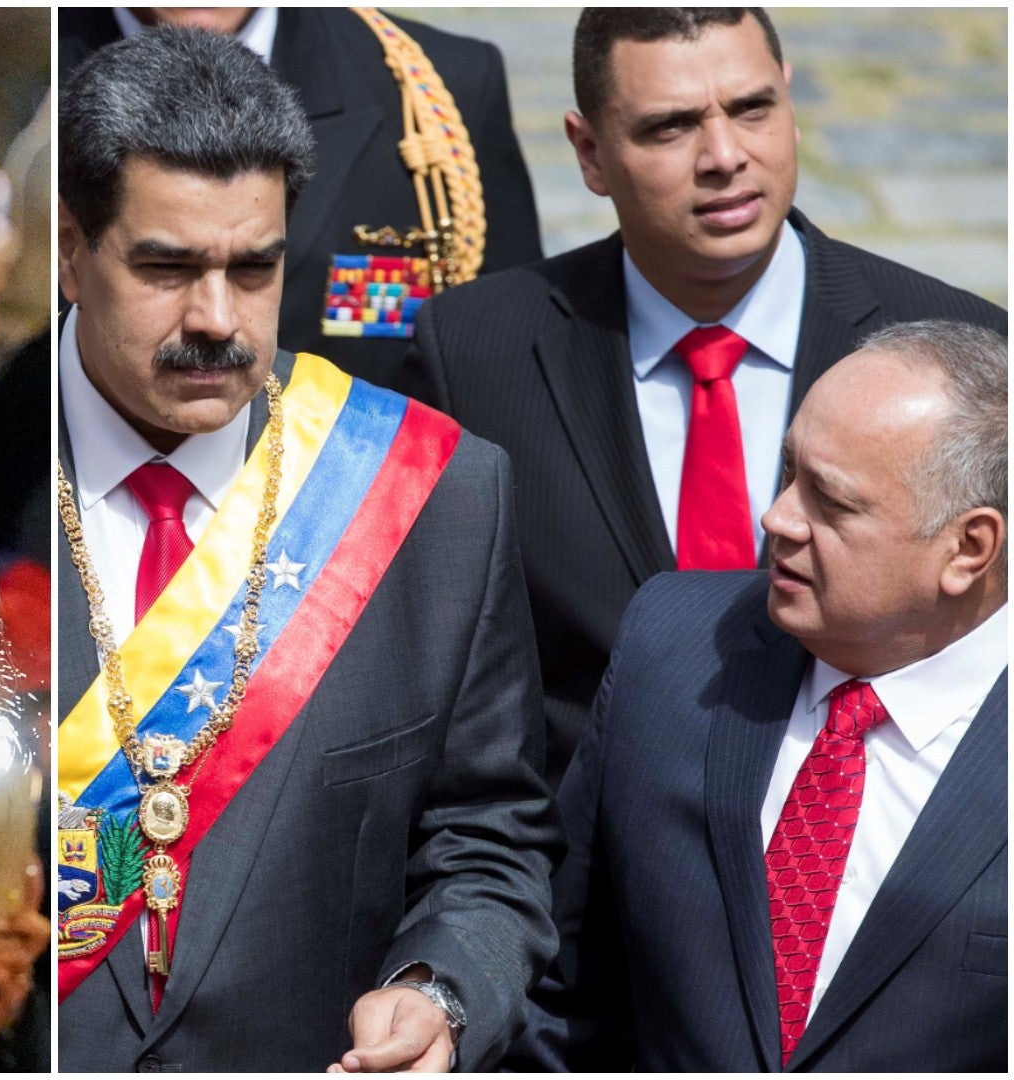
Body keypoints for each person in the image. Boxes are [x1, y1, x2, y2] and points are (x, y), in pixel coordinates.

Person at [54, 28, 556, 1071]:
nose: (217, 320)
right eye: (166, 268)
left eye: (255, 268)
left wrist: (439, 992)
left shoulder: (435, 500)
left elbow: (489, 837)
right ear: (68, 249)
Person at [404, 7, 1009, 787]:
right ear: (589, 152)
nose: (724, 156)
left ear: (790, 103)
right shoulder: (476, 353)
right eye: (669, 128)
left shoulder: (963, 354)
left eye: (752, 108)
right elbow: (441, 669)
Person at [514, 320, 1007, 1071]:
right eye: (788, 473)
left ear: (968, 548)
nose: (777, 518)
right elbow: (563, 992)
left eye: (832, 504)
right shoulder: (673, 646)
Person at [58, 6, 544, 392]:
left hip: (364, 495)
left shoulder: (432, 85)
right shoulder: (36, 79)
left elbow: (503, 368)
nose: (217, 321)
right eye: (164, 266)